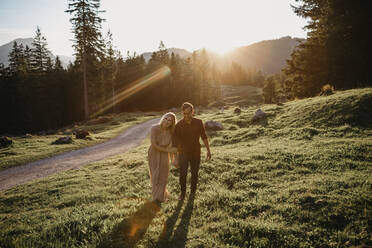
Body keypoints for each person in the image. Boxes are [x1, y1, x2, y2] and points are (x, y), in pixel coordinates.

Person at [174, 102, 211, 200]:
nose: (186, 116)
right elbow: (175, 144)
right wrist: (176, 158)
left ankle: (193, 192)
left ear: (192, 111)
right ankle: (182, 194)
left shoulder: (198, 122)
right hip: (183, 153)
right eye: (184, 114)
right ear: (182, 113)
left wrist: (208, 150)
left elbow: (204, 137)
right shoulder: (178, 125)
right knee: (183, 174)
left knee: (195, 173)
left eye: (188, 113)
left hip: (196, 152)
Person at [148, 112, 178, 204]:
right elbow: (154, 144)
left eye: (170, 121)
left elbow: (173, 147)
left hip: (165, 155)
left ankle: (161, 196)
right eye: (166, 118)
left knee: (163, 175)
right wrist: (169, 151)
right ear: (163, 118)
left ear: (172, 123)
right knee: (155, 174)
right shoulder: (154, 128)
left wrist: (175, 159)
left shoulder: (171, 132)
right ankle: (155, 197)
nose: (167, 121)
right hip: (154, 153)